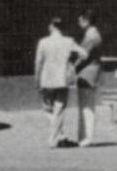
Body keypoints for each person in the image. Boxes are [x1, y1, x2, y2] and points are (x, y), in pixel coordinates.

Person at [35, 18, 82, 148]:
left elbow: (38, 62)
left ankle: (54, 139)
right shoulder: (69, 41)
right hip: (62, 78)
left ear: (51, 26)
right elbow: (84, 53)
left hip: (46, 78)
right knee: (59, 109)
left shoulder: (43, 42)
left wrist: (37, 78)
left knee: (47, 108)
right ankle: (59, 137)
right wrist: (72, 64)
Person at [74, 10, 104, 147]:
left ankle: (86, 137)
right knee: (86, 105)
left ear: (87, 21)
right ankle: (83, 137)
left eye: (80, 21)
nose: (78, 23)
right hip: (89, 71)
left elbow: (83, 55)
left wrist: (72, 68)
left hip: (87, 72)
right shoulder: (92, 34)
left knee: (86, 105)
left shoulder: (91, 36)